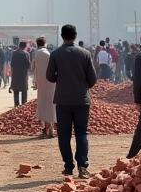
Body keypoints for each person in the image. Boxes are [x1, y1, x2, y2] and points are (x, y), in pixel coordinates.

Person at [47, 24, 97, 178]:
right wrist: (82, 86)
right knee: (81, 133)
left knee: (64, 135)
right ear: (75, 36)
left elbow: (49, 76)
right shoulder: (85, 53)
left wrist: (61, 79)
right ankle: (83, 166)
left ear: (62, 36)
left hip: (63, 100)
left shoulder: (55, 54)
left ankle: (68, 167)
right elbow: (93, 79)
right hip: (82, 100)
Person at [31, 36, 56, 138]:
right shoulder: (49, 54)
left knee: (42, 104)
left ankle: (46, 128)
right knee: (50, 105)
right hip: (51, 83)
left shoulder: (35, 54)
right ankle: (50, 128)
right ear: (45, 43)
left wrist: (35, 81)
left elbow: (33, 68)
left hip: (41, 83)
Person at [10, 41, 31, 108]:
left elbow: (12, 65)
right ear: (25, 46)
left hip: (16, 74)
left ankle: (16, 107)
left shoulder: (14, 53)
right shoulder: (27, 54)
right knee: (24, 92)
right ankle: (23, 107)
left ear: (19, 46)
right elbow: (28, 66)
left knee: (16, 91)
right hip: (23, 75)